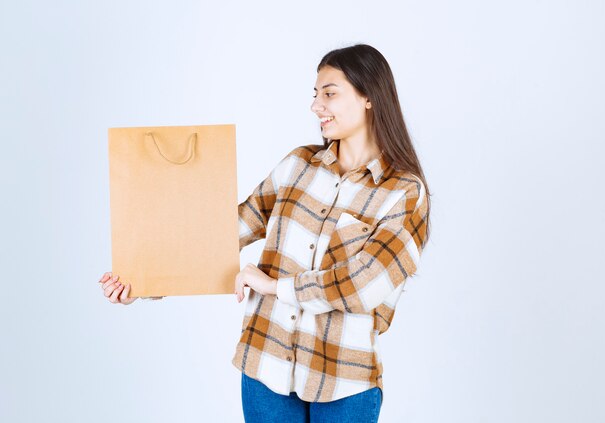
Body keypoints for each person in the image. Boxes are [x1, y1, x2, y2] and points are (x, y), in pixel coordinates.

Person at [99, 43, 431, 423]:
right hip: (265, 367)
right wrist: (141, 282)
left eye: (330, 93)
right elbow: (222, 234)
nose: (316, 105)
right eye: (315, 94)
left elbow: (362, 286)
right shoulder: (298, 166)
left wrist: (273, 286)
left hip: (345, 382)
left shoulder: (403, 193)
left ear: (369, 96)